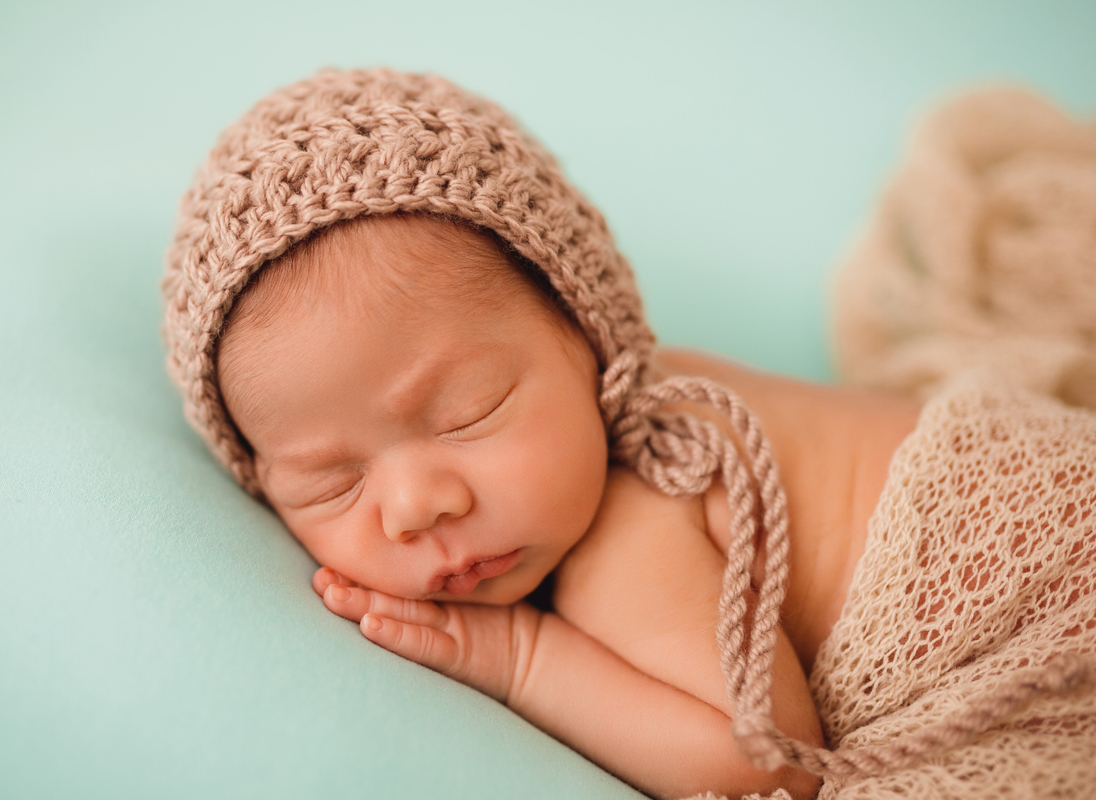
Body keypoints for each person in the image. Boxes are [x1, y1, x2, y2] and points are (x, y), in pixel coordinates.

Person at [162, 70, 1095, 800]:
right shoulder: (673, 379)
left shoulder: (638, 507)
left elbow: (769, 767)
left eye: (467, 411)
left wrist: (521, 661)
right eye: (331, 483)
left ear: (590, 332)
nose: (414, 507)